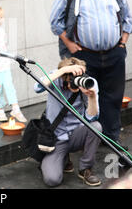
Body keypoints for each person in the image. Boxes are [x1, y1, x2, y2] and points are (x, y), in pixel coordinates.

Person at [49, 0, 132, 145]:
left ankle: (112, 140)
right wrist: (70, 45)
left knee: (113, 98)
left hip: (114, 53)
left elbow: (128, 18)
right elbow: (55, 21)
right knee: (88, 98)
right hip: (85, 56)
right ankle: (91, 140)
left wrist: (122, 43)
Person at [34, 57, 102, 187]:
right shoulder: (55, 78)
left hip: (77, 134)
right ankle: (64, 159)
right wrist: (63, 71)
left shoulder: (89, 82)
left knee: (96, 127)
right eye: (71, 79)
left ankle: (85, 169)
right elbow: (37, 87)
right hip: (57, 139)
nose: (75, 83)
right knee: (52, 180)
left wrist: (92, 97)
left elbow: (91, 119)